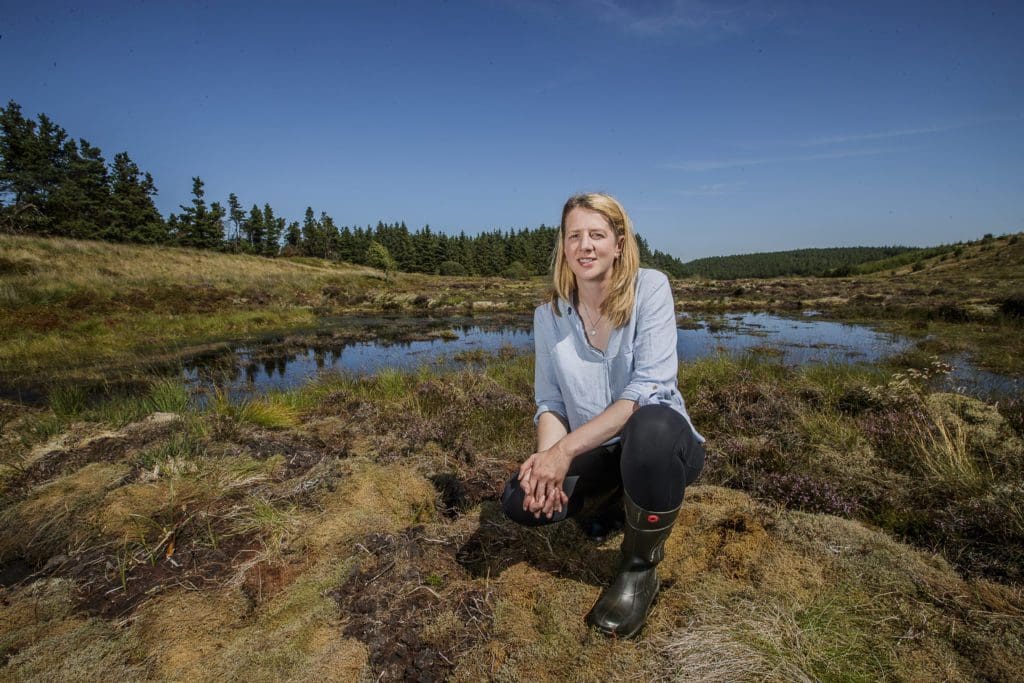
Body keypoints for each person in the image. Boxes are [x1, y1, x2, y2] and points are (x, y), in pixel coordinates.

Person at [500, 192, 705, 639]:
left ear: (619, 242)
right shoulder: (548, 314)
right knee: (519, 499)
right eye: (575, 235)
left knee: (649, 428)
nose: (585, 245)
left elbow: (646, 388)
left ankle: (638, 568)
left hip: (661, 446)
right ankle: (615, 500)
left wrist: (565, 452)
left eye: (597, 234)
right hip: (601, 451)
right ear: (563, 246)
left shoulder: (650, 288)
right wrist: (546, 466)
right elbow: (551, 403)